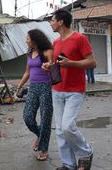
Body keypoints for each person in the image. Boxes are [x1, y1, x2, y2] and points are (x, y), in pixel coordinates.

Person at [44, 10, 96, 170]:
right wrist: (49, 66)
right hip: (57, 89)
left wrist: (71, 63)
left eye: (52, 20)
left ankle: (86, 152)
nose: (50, 23)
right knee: (60, 130)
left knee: (67, 126)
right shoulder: (56, 42)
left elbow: (92, 62)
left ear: (60, 22)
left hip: (75, 90)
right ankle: (68, 164)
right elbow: (58, 64)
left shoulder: (80, 38)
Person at [16, 29, 54, 161]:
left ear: (34, 39)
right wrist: (19, 85)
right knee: (28, 117)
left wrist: (49, 65)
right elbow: (27, 71)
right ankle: (40, 135)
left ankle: (44, 149)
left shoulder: (47, 52)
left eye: (27, 38)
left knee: (45, 120)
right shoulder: (30, 53)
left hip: (46, 88)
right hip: (33, 88)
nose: (26, 40)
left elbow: (55, 69)